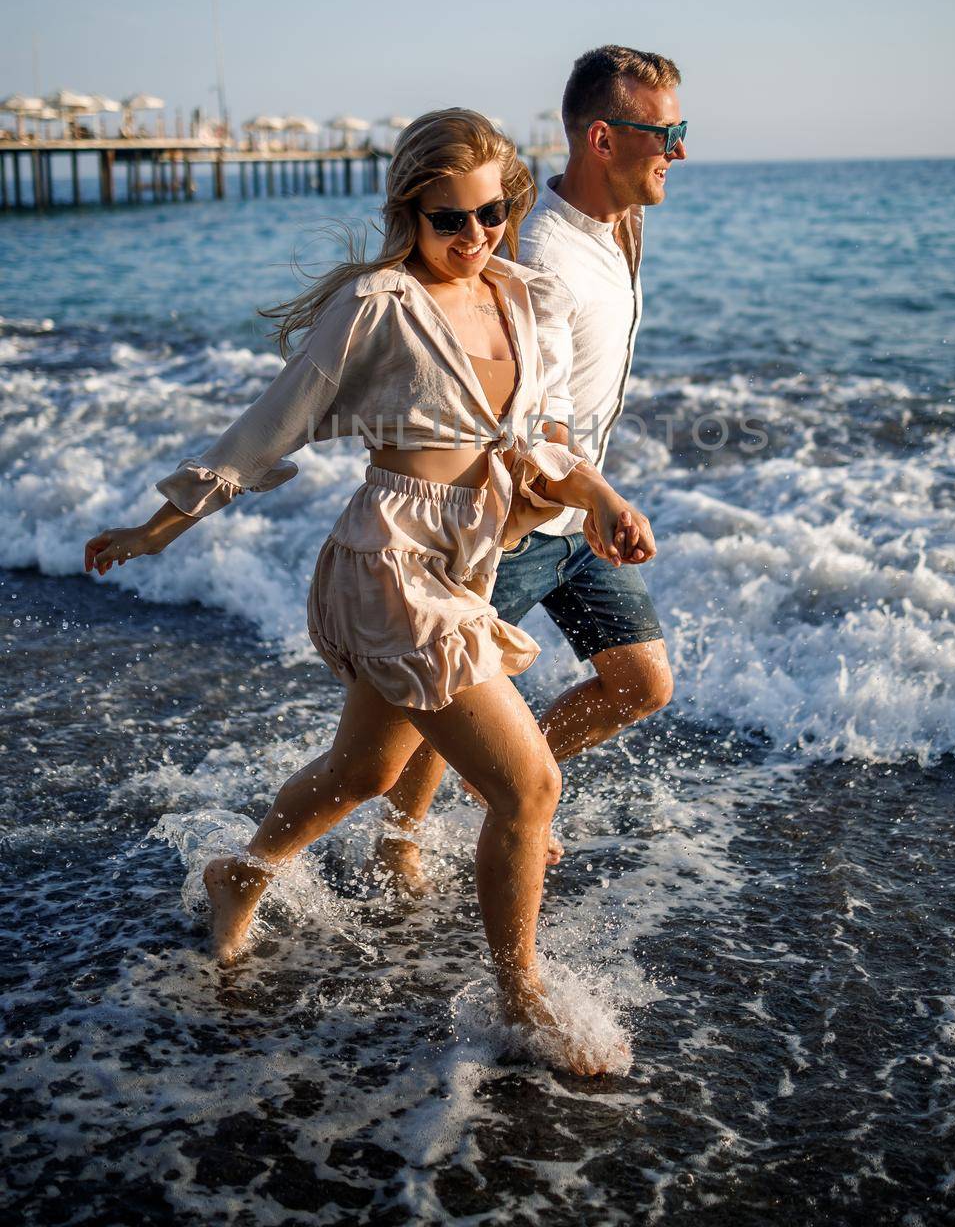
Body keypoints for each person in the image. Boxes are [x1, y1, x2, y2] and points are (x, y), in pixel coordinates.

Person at [83, 108, 655, 1076]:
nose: (471, 237)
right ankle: (520, 998)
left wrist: (597, 495)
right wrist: (155, 527)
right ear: (409, 212)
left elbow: (538, 447)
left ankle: (241, 872)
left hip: (463, 565)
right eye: (447, 219)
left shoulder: (517, 294)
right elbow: (262, 434)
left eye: (488, 212)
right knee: (530, 784)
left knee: (366, 773)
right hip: (391, 568)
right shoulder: (377, 306)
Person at [379, 46, 684, 886]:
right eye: (665, 132)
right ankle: (398, 841)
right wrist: (598, 493)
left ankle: (507, 782)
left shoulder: (620, 227)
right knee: (424, 711)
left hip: (571, 519)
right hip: (515, 522)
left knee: (639, 682)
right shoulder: (542, 255)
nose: (680, 150)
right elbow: (531, 415)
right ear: (600, 138)